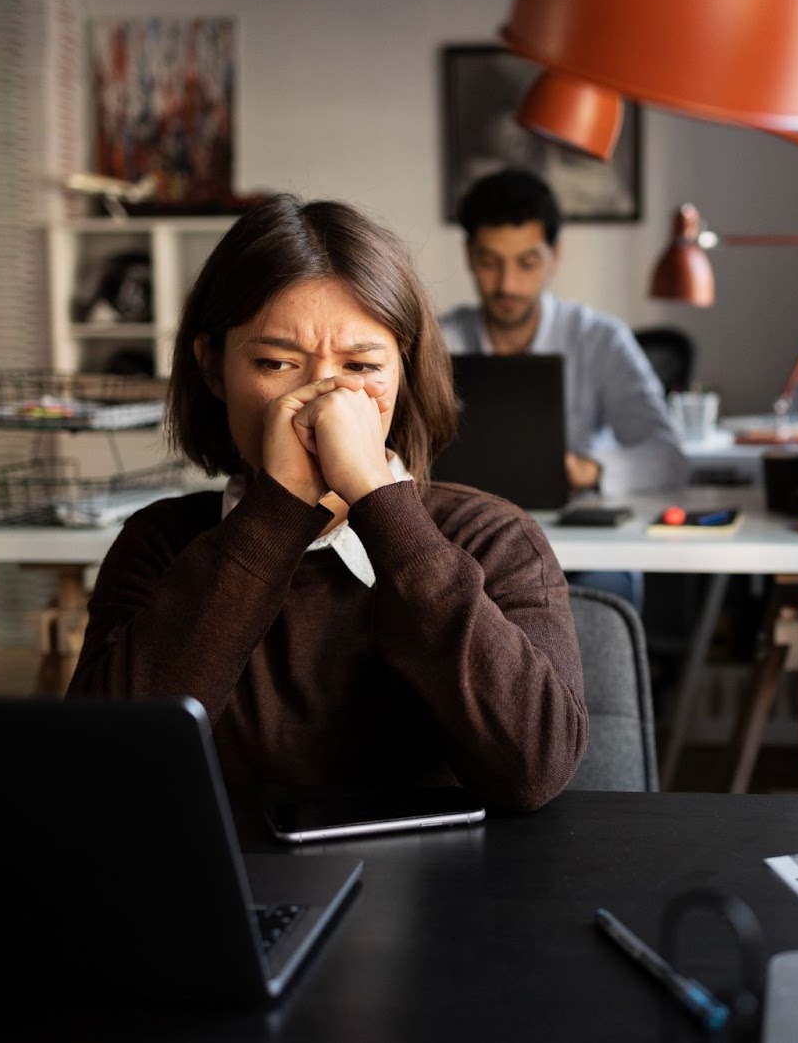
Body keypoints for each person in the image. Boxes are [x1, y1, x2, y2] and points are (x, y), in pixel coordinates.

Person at [66, 194, 588, 812]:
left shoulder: (494, 536)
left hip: (445, 895)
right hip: (237, 893)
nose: (320, 401)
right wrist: (279, 508)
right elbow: (105, 766)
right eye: (276, 362)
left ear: (404, 371)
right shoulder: (160, 543)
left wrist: (382, 506)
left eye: (361, 365)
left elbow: (533, 770)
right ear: (212, 368)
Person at [441, 168, 687, 498]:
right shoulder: (435, 342)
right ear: (469, 255)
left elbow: (668, 457)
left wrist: (589, 469)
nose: (507, 284)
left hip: (574, 532)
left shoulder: (600, 338)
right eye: (489, 263)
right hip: (462, 525)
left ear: (555, 256)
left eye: (527, 263)